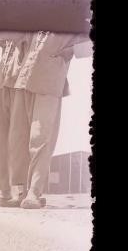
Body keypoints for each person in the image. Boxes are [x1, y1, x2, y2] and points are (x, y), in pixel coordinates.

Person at [11, 31, 92, 209]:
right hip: (24, 81)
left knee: (39, 138)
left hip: (49, 81)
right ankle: (19, 190)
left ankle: (34, 192)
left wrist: (71, 51)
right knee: (18, 138)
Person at [0, 30, 32, 207]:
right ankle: (3, 191)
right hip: (2, 79)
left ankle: (21, 190)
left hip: (22, 80)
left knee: (19, 137)